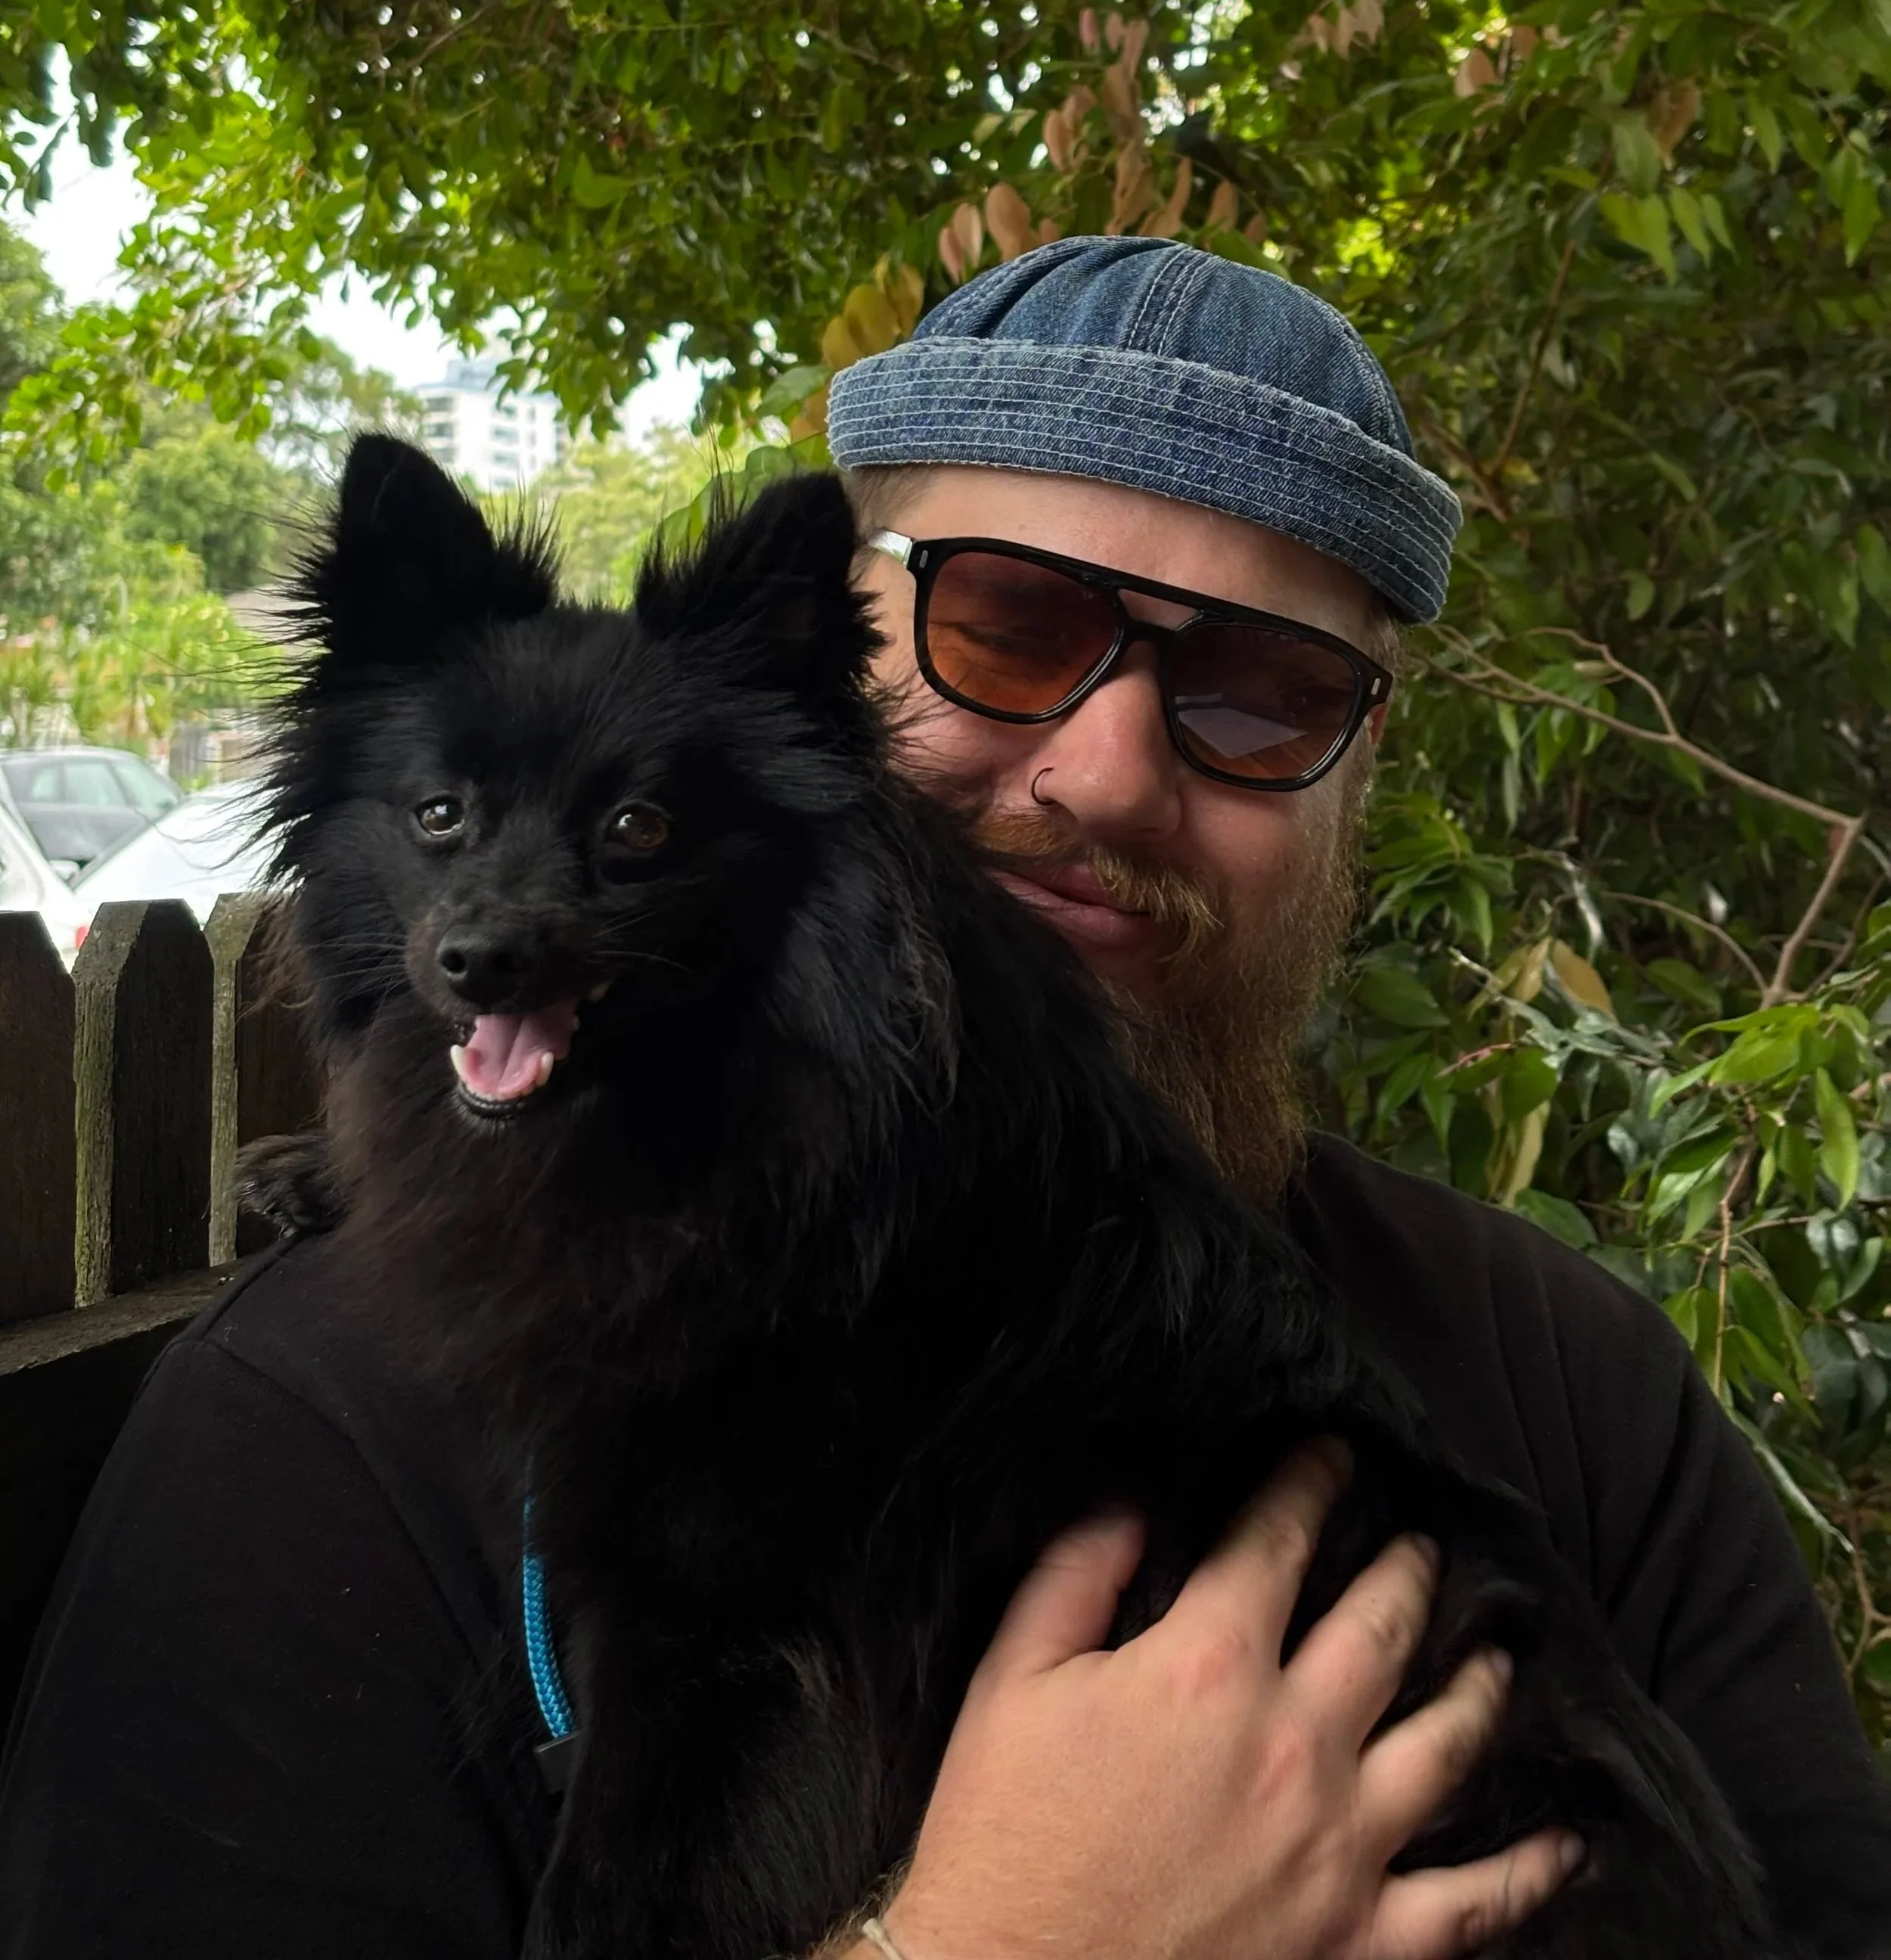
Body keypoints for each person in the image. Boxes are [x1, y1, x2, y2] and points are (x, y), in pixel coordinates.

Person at [2, 240, 1886, 1959]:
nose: (1110, 769)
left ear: (1353, 778)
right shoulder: (304, 1438)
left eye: (1255, 690)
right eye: (1004, 624)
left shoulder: (1575, 1379)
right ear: (847, 666)